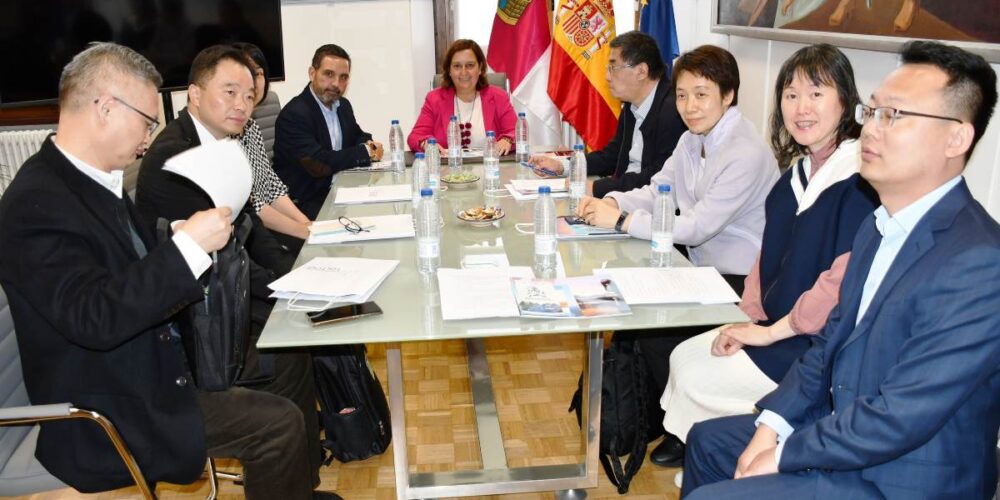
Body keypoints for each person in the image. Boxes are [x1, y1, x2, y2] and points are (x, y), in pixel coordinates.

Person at [683, 40, 1000, 500]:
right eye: (872, 112)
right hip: (844, 430)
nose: (870, 129)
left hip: (904, 475)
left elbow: (901, 415)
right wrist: (772, 424)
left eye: (894, 116)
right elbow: (828, 345)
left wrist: (786, 453)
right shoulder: (878, 227)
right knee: (709, 443)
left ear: (957, 138)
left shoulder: (980, 261)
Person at [0, 42, 299, 498]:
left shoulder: (90, 178)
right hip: (112, 402)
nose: (148, 135)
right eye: (146, 119)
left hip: (152, 360)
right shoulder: (32, 205)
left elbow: (126, 253)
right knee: (278, 426)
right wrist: (184, 248)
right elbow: (95, 317)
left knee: (292, 354)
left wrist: (169, 232)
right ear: (105, 108)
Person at [651, 44, 879, 469]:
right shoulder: (795, 174)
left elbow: (840, 287)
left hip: (815, 345)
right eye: (790, 95)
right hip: (776, 326)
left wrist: (769, 333)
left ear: (846, 101)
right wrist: (746, 320)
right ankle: (719, 456)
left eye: (816, 94)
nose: (801, 108)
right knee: (684, 356)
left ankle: (736, 460)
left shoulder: (860, 181)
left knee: (700, 372)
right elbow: (765, 256)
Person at [135, 45, 337, 499]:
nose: (242, 104)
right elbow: (218, 268)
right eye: (229, 92)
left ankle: (299, 485)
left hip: (222, 301)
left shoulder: (224, 146)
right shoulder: (176, 161)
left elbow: (249, 234)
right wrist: (290, 290)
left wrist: (295, 276)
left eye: (249, 95)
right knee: (293, 336)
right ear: (194, 94)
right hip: (191, 324)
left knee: (294, 348)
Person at [577, 44, 778, 283]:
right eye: (682, 95)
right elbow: (659, 193)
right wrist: (612, 201)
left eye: (701, 95)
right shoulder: (691, 138)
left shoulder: (746, 153)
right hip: (697, 265)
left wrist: (622, 220)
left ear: (727, 95)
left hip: (741, 278)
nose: (689, 106)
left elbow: (697, 227)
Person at [527, 31, 686, 199]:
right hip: (626, 196)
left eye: (613, 68)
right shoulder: (631, 105)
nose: (607, 77)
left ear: (641, 71)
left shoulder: (674, 111)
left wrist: (597, 188)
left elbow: (657, 177)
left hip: (650, 205)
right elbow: (611, 156)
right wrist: (563, 165)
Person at [273, 43, 382, 219]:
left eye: (343, 77)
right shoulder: (294, 114)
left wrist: (367, 143)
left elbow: (357, 135)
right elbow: (318, 164)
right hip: (306, 202)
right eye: (329, 74)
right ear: (312, 73)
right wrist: (366, 151)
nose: (336, 84)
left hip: (340, 193)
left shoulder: (343, 105)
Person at [232, 42, 312, 245]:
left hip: (265, 223)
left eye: (258, 73)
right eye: (246, 72)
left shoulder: (251, 127)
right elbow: (251, 204)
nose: (253, 81)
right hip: (247, 233)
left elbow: (271, 186)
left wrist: (307, 224)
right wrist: (303, 231)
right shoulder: (225, 133)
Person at [407, 38, 516, 154]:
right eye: (457, 66)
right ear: (449, 70)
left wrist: (507, 139)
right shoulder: (434, 99)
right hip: (448, 169)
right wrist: (426, 143)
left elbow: (515, 131)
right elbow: (415, 137)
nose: (463, 72)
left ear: (480, 68)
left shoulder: (499, 97)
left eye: (470, 65)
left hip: (490, 167)